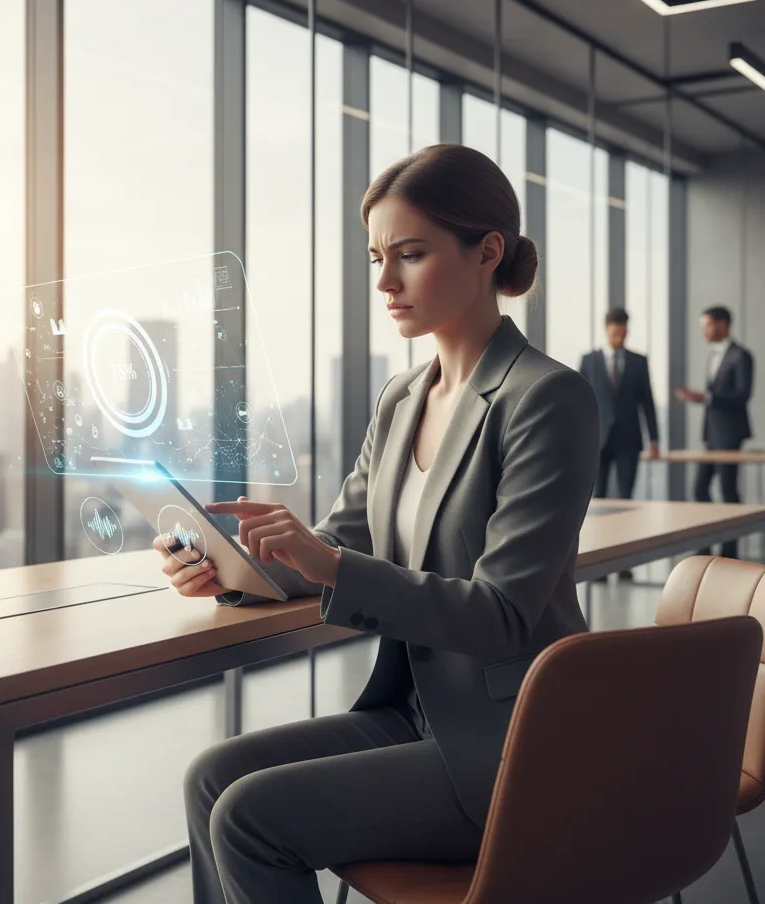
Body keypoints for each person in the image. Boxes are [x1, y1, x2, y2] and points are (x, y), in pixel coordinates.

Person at [152, 144, 600, 904]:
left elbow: (500, 618)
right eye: (376, 258)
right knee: (210, 777)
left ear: (487, 251)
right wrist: (240, 569)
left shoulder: (547, 400)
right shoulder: (402, 397)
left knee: (250, 819)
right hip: (417, 714)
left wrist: (326, 567)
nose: (385, 282)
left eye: (411, 255)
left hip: (514, 744)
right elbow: (339, 547)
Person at [578, 306, 660, 580]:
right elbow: (580, 400)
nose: (620, 338)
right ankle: (599, 562)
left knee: (626, 501)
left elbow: (647, 402)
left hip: (629, 439)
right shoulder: (589, 360)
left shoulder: (639, 361)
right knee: (598, 502)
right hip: (596, 440)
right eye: (615, 333)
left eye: (624, 333)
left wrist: (655, 439)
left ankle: (624, 562)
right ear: (607, 329)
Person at [675, 305, 755, 558]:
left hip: (730, 434)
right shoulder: (713, 355)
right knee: (700, 488)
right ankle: (706, 544)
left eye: (707, 325)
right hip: (712, 434)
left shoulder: (741, 355)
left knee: (729, 492)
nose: (704, 332)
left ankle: (730, 551)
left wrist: (707, 397)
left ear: (722, 325)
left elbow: (742, 395)